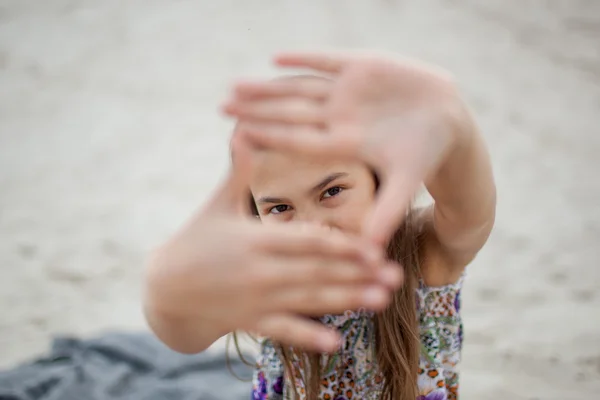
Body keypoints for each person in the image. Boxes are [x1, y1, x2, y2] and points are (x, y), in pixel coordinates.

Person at [146, 51, 496, 400]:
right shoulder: (268, 275)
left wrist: (454, 122)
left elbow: (469, 212)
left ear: (378, 177)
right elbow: (185, 334)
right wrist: (165, 296)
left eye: (332, 191)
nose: (312, 228)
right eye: (281, 207)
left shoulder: (424, 251)